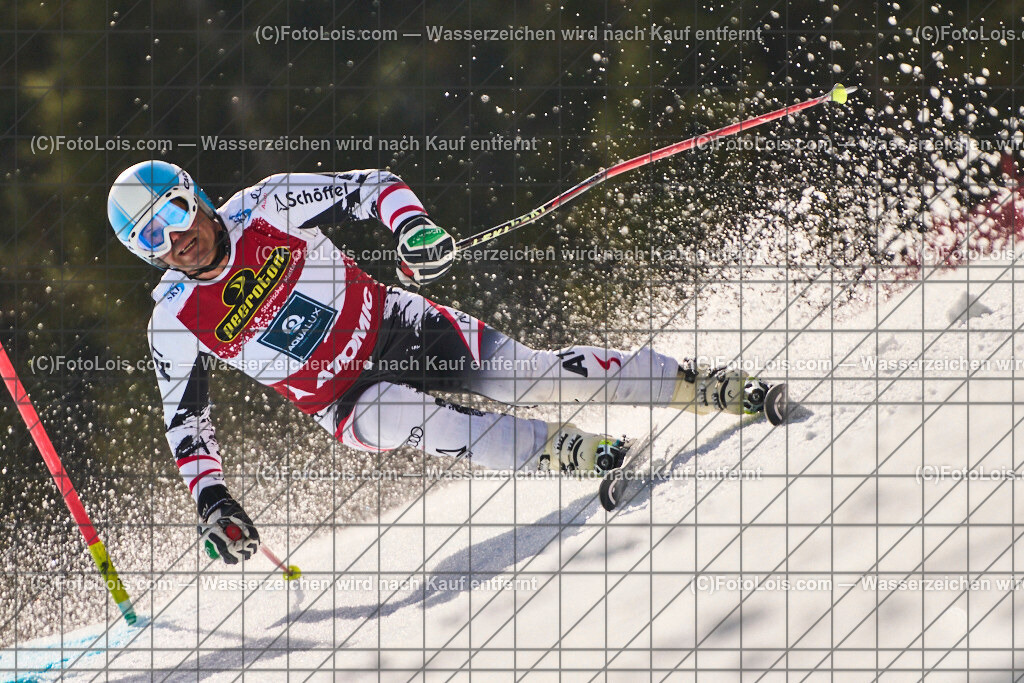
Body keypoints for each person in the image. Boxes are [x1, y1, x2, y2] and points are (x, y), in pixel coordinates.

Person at [107, 160, 772, 564]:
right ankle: (585, 452)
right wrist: (213, 500)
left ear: (192, 194)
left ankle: (697, 384)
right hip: (344, 399)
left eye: (173, 213)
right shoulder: (173, 318)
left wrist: (414, 229)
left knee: (534, 375)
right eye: (151, 239)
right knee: (435, 426)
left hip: (398, 324)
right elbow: (186, 422)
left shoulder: (267, 205)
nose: (176, 239)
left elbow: (373, 188)